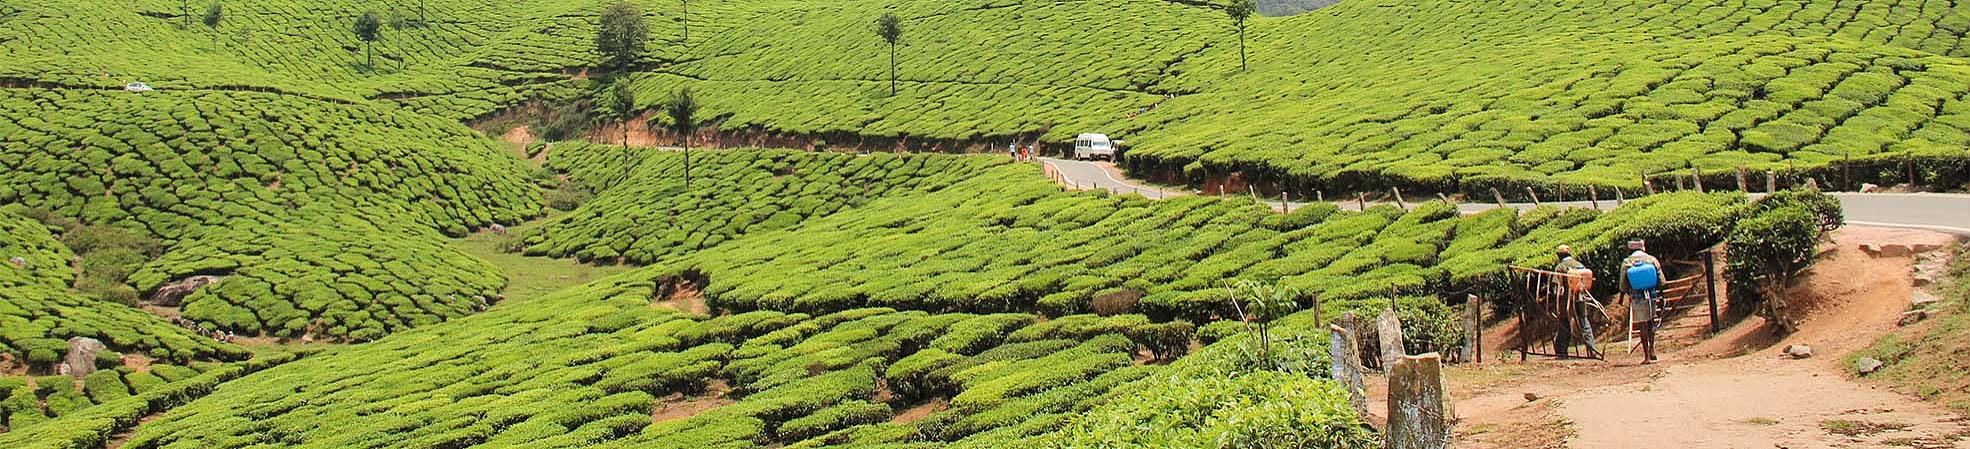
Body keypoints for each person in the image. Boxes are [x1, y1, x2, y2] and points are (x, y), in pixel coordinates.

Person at [1620, 240, 1665, 363]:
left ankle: (1646, 356)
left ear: (1631, 250)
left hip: (1637, 296)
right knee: (1651, 322)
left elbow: (1623, 284)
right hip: (1652, 294)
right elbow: (1661, 280)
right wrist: (1661, 295)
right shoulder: (1652, 259)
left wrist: (1621, 298)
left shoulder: (1627, 262)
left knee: (1642, 325)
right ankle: (1652, 349)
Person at [1554, 245, 1600, 357]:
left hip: (1567, 300)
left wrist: (1557, 303)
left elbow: (1557, 287)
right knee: (1584, 322)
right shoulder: (1580, 265)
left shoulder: (1560, 268)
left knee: (1564, 323)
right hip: (1580, 297)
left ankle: (1562, 351)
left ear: (1559, 256)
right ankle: (1592, 349)